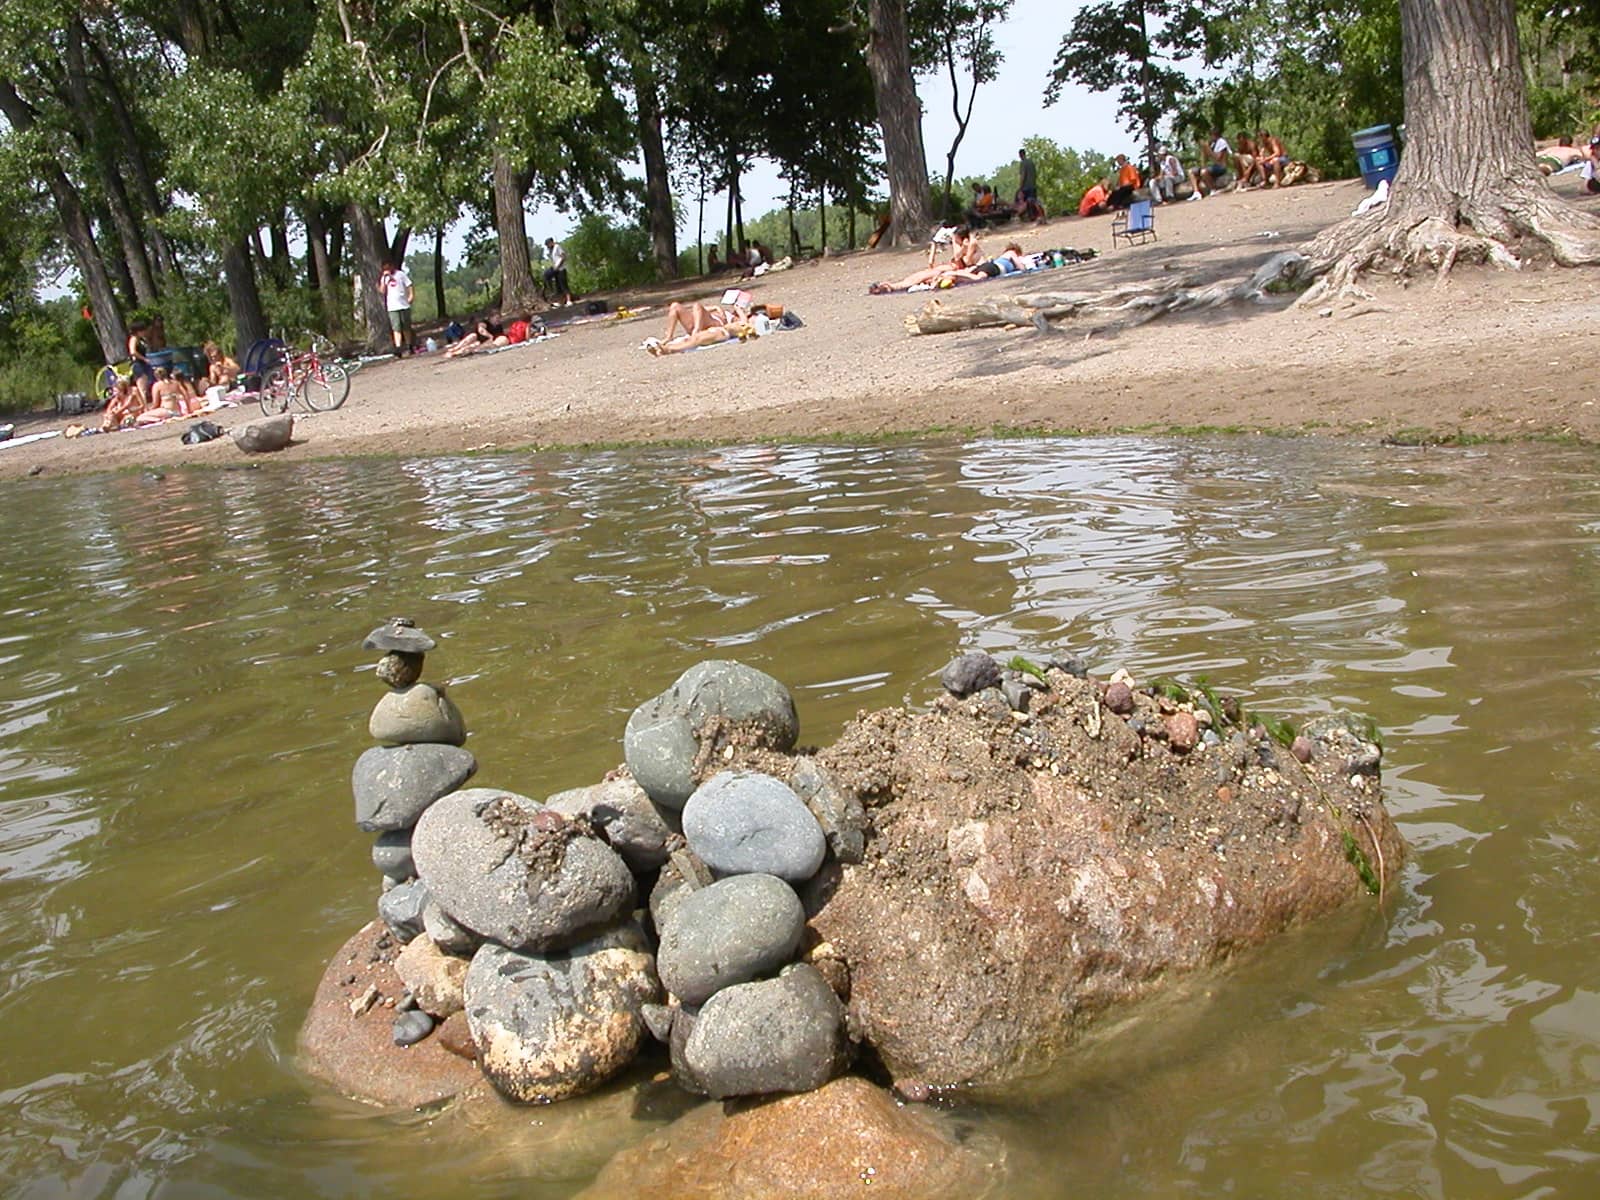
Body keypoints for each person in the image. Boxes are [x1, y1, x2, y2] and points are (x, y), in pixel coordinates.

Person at [868, 226, 983, 293]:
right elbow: (956, 256)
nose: (954, 241)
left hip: (960, 269)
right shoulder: (963, 242)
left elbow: (966, 261)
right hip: (953, 267)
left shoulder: (971, 243)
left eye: (955, 239)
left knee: (928, 275)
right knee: (925, 273)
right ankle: (894, 285)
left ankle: (893, 286)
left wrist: (963, 248)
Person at [376, 259, 414, 356]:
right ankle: (398, 348)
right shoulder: (384, 278)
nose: (388, 270)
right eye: (385, 268)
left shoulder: (400, 275)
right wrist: (384, 279)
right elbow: (382, 291)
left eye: (389, 268)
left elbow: (409, 285)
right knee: (396, 327)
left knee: (406, 326)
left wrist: (411, 295)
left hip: (403, 304)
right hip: (392, 306)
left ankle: (409, 346)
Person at [1188, 131, 1232, 199]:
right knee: (1191, 171)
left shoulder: (1222, 142)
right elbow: (1204, 161)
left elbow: (1218, 158)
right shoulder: (1212, 144)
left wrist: (1208, 149)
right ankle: (1196, 192)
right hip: (1213, 166)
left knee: (1204, 172)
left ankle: (1213, 190)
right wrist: (1203, 150)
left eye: (1210, 136)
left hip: (1221, 166)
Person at [443, 315, 510, 358]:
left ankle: (455, 353)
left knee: (473, 346)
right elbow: (481, 330)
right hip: (477, 337)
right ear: (491, 318)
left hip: (482, 342)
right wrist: (490, 336)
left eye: (499, 318)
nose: (498, 320)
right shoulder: (485, 323)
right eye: (497, 318)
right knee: (472, 336)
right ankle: (455, 349)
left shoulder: (499, 326)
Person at [126, 318, 155, 405]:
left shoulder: (141, 340)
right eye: (143, 330)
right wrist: (144, 359)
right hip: (138, 364)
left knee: (147, 385)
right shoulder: (134, 339)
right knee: (142, 387)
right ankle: (144, 406)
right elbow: (133, 352)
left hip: (144, 364)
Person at [1015, 147, 1044, 221]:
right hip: (1033, 185)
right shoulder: (1031, 162)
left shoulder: (1023, 163)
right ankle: (1039, 215)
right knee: (1034, 201)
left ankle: (1029, 216)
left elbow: (1023, 175)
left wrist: (1020, 187)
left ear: (1020, 155)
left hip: (1026, 186)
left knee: (1027, 203)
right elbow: (1035, 174)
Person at [543, 237, 573, 305]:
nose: (547, 246)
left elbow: (563, 257)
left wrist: (558, 265)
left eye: (548, 245)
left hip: (561, 269)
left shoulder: (557, 247)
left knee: (564, 285)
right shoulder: (551, 250)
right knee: (558, 286)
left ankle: (569, 300)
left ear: (551, 243)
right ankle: (560, 301)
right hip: (556, 270)